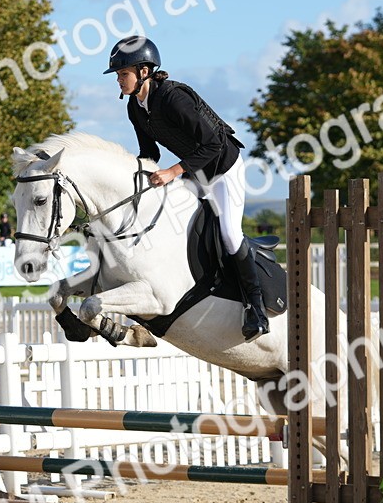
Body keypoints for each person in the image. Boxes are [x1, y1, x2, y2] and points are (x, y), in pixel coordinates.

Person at [104, 35, 269, 341]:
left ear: (143, 71)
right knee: (174, 227)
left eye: (122, 74)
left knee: (230, 233)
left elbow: (215, 143)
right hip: (194, 172)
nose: (119, 80)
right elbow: (149, 153)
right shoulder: (135, 107)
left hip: (223, 168)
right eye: (117, 75)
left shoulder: (173, 98)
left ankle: (256, 310)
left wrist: (174, 171)